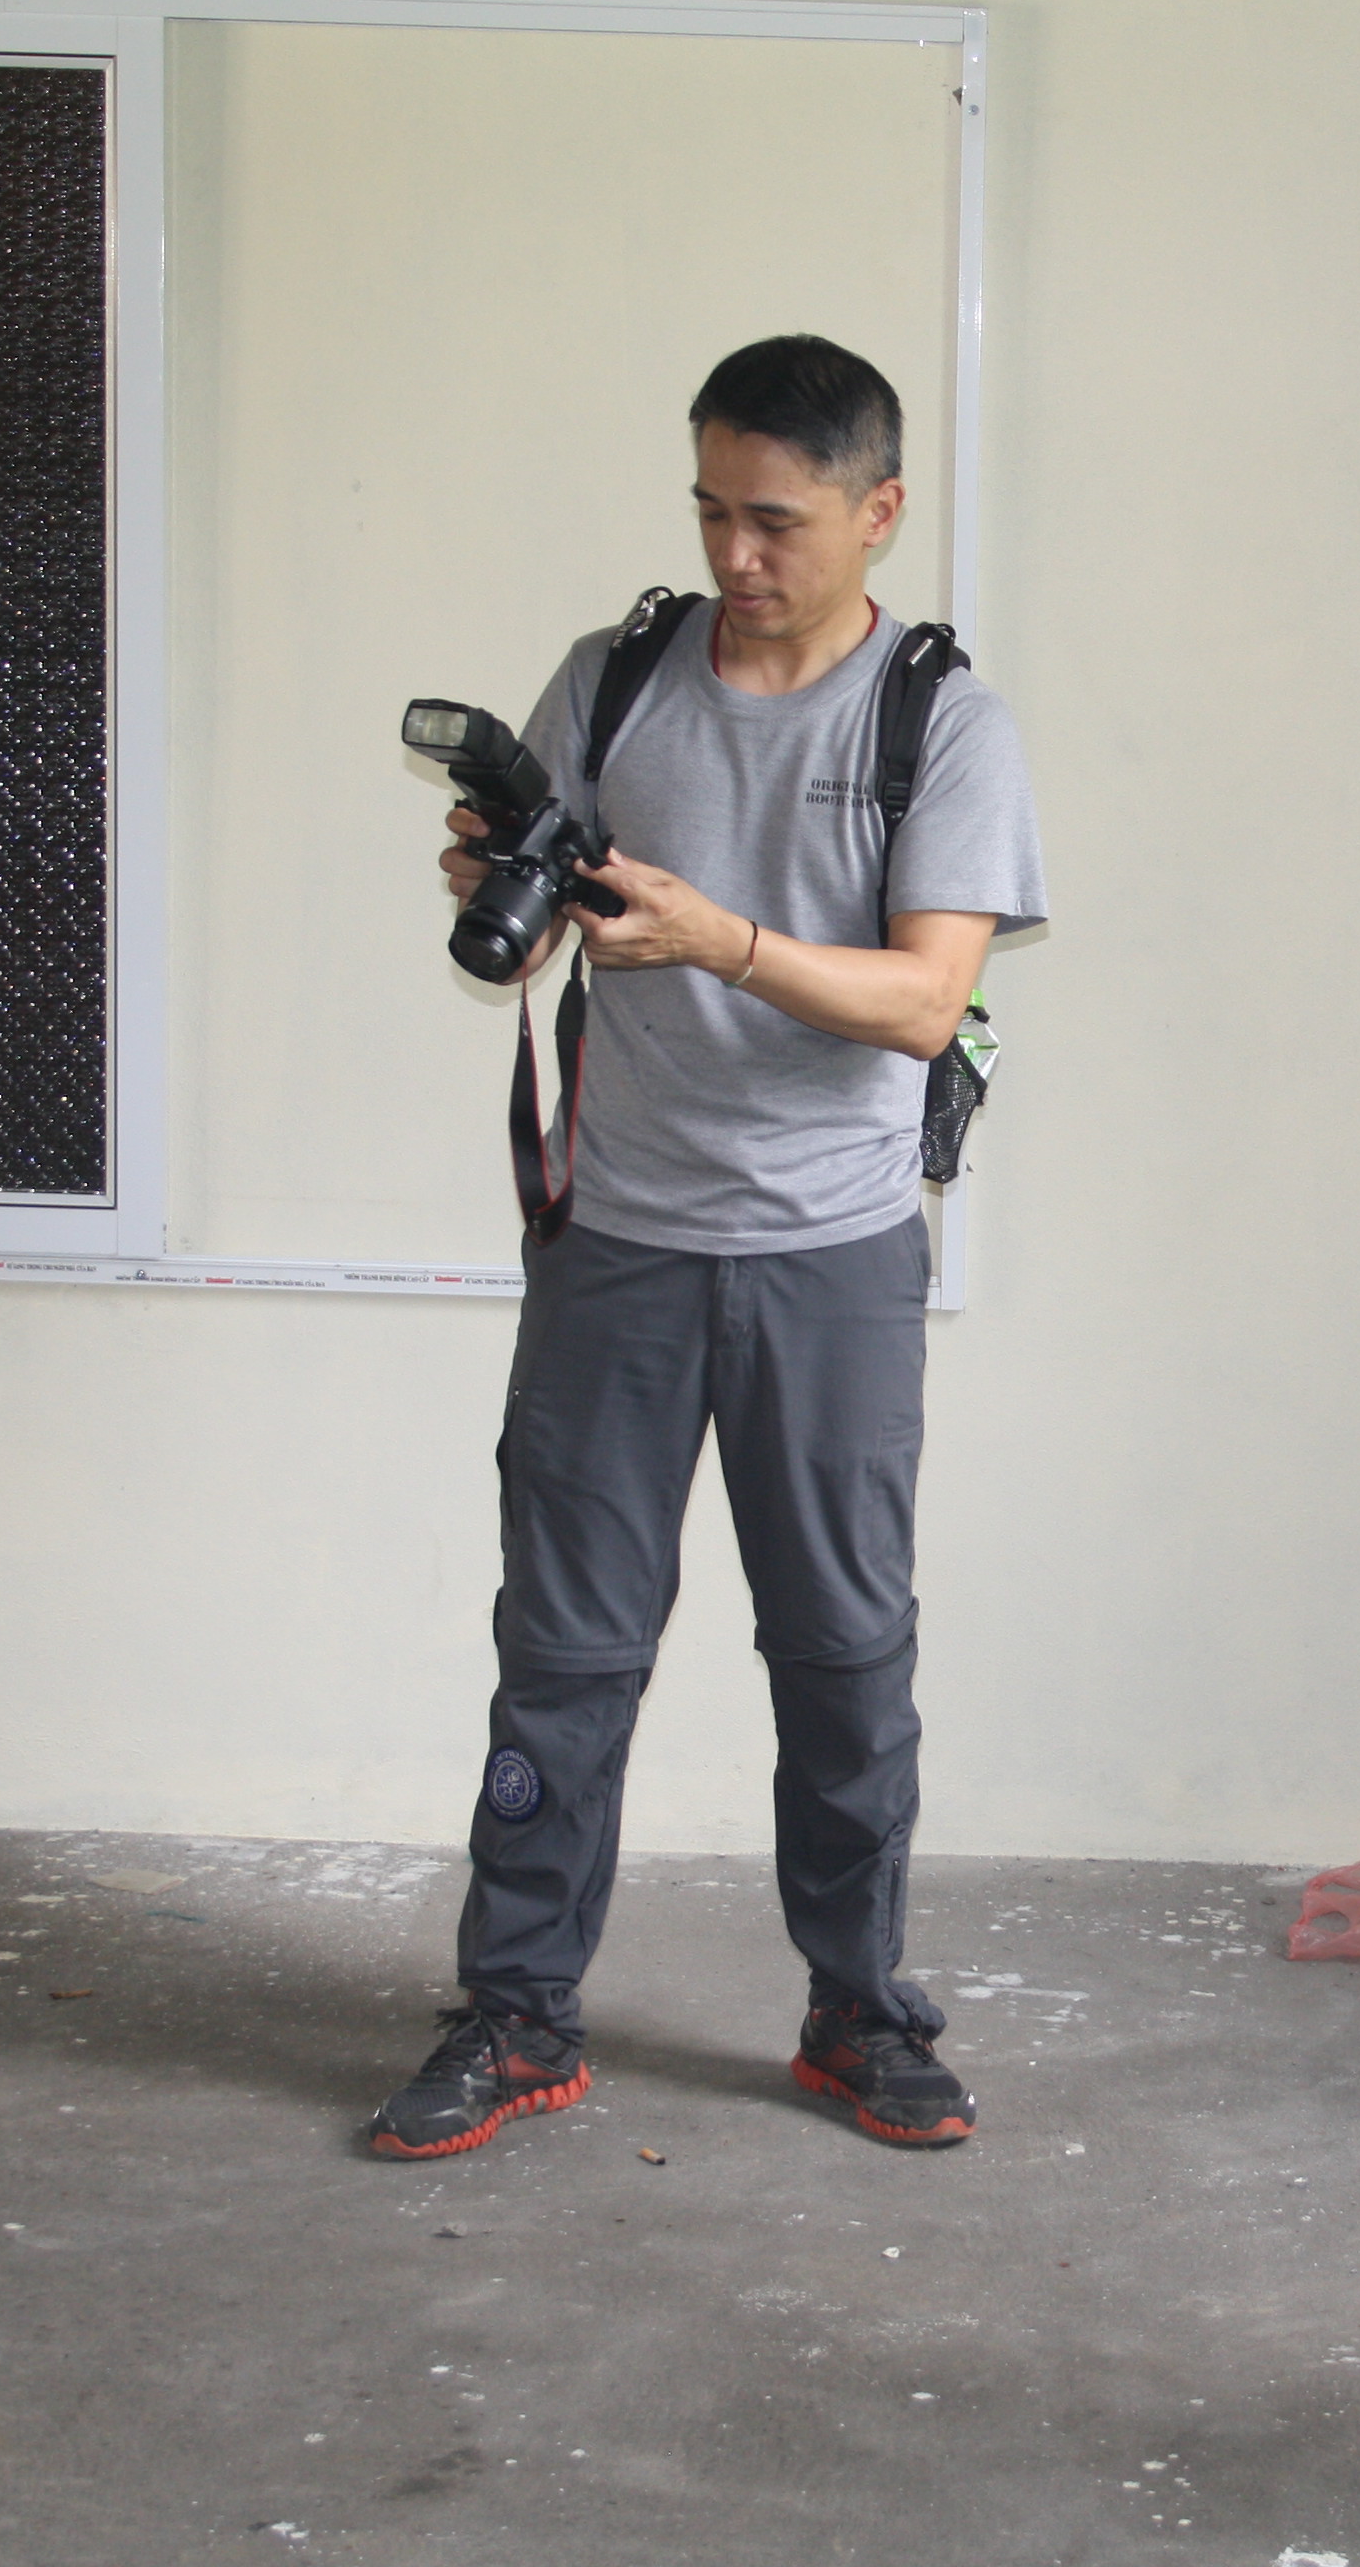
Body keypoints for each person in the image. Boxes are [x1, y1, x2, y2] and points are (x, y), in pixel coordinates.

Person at [364, 335, 1046, 2164]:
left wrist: (718, 938)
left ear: (877, 511)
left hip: (832, 1256)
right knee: (563, 1651)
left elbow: (925, 1001)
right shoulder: (615, 678)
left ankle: (857, 2008)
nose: (737, 555)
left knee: (843, 1652)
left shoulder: (939, 722)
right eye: (709, 512)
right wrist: (507, 898)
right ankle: (516, 2010)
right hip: (621, 1245)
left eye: (776, 522)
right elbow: (543, 930)